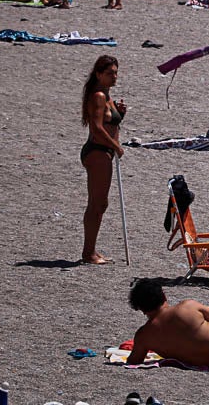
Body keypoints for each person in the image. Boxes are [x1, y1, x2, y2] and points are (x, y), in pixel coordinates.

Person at [80, 55, 125, 264]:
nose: (114, 77)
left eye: (115, 73)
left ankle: (91, 250)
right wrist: (115, 145)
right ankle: (88, 252)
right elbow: (96, 129)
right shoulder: (98, 95)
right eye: (109, 73)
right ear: (99, 74)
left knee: (101, 204)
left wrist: (119, 114)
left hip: (104, 152)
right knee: (96, 204)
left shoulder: (106, 95)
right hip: (98, 152)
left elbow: (109, 123)